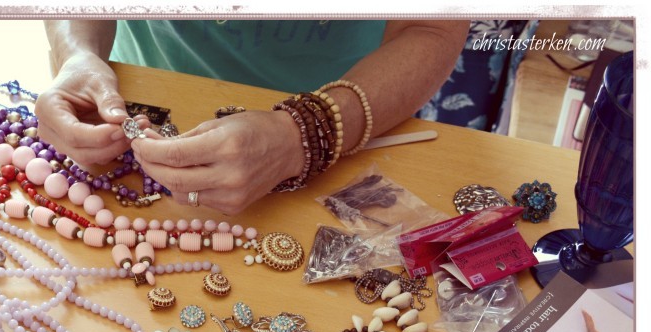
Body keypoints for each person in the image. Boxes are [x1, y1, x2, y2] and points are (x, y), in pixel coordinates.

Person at [36, 19, 469, 215]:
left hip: (360, 111)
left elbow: (431, 28)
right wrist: (76, 52)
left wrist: (305, 133)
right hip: (140, 88)